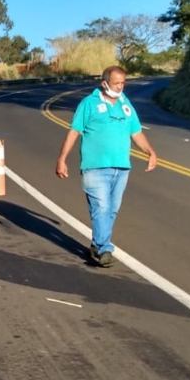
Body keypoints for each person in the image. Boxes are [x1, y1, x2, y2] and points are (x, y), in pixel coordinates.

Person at [55, 66, 158, 267]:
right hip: (95, 167)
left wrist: (150, 152)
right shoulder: (89, 103)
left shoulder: (126, 105)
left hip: (121, 168)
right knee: (101, 208)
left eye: (123, 83)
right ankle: (104, 249)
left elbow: (136, 132)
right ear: (104, 84)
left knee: (111, 209)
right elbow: (74, 132)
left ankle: (96, 245)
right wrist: (62, 159)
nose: (120, 87)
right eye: (116, 83)